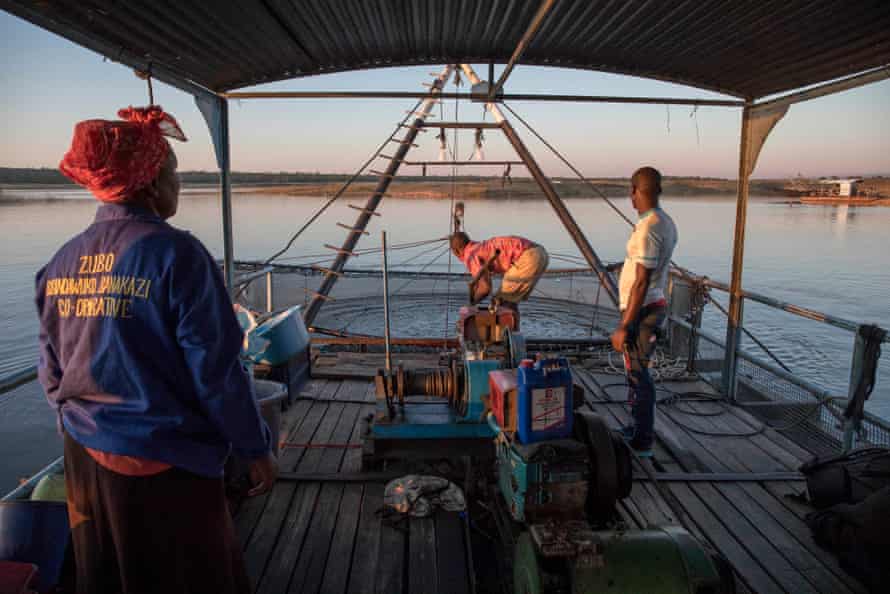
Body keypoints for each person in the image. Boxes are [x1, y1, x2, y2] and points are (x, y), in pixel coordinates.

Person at [35, 106, 277, 594]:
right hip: (163, 465)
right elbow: (216, 373)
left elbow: (52, 374)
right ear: (149, 184)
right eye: (173, 173)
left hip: (85, 459)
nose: (178, 186)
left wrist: (89, 426)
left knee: (106, 577)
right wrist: (255, 447)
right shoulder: (176, 256)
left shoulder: (60, 262)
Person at [609, 167, 678, 457]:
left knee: (638, 374)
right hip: (650, 304)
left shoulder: (649, 228)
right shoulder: (663, 221)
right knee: (634, 372)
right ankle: (637, 429)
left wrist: (625, 325)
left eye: (632, 192)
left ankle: (642, 441)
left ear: (637, 190)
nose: (631, 199)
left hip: (644, 309)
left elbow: (642, 281)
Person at [449, 232, 549, 307]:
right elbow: (485, 284)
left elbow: (485, 289)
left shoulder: (470, 254)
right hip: (541, 253)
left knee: (499, 302)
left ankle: (501, 334)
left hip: (528, 257)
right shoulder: (480, 247)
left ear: (456, 251)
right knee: (510, 302)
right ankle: (514, 332)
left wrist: (471, 304)